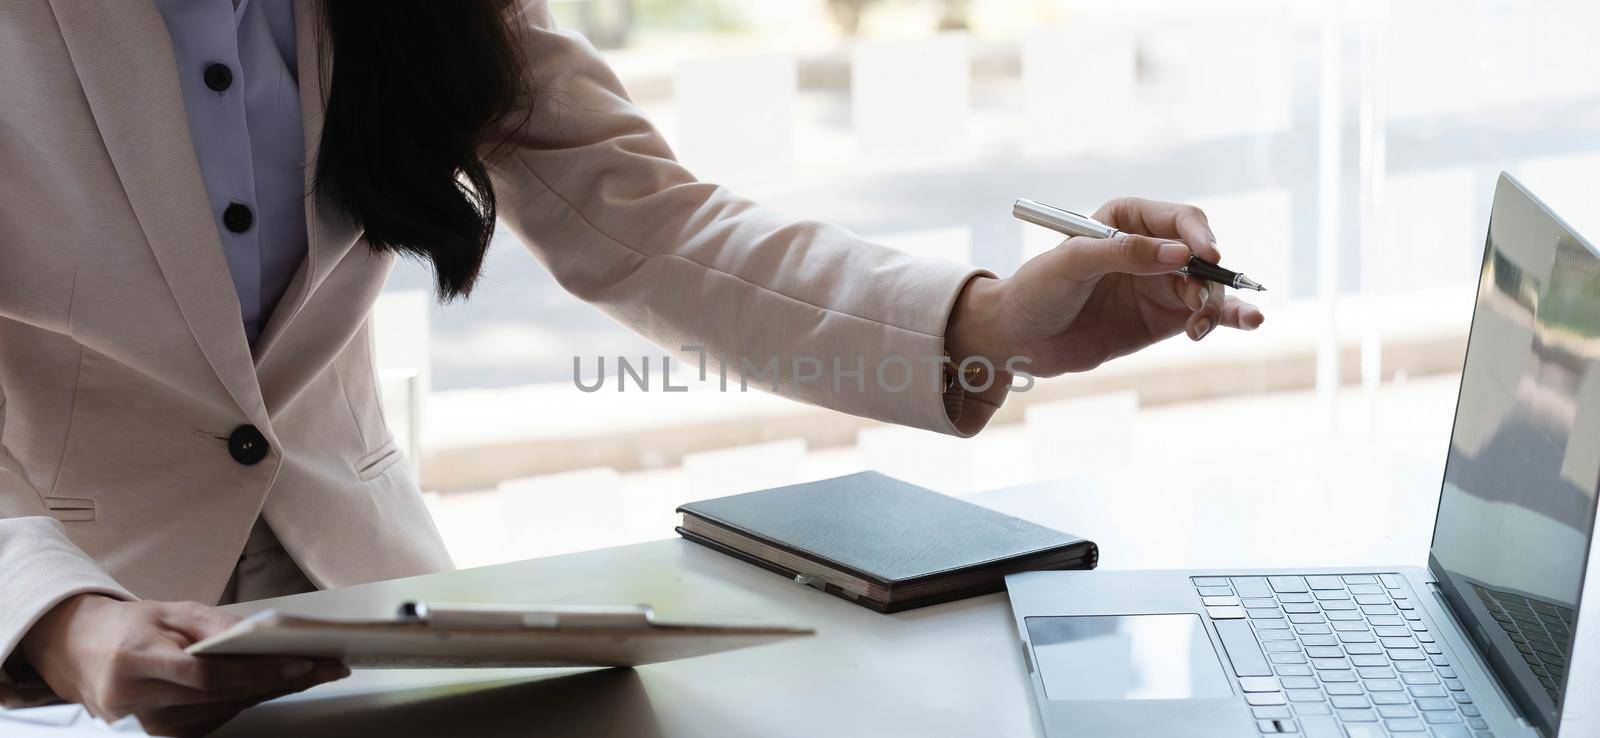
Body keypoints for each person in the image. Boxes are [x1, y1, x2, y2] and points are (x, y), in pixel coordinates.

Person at [0, 0, 1264, 735]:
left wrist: (989, 326)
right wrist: (59, 621)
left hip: (372, 619)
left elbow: (652, 230)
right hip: (64, 643)